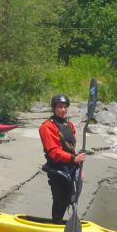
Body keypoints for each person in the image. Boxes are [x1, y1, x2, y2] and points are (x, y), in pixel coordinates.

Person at [38, 93, 85, 222]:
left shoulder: (70, 126)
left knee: (69, 197)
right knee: (60, 198)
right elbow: (53, 151)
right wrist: (73, 159)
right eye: (60, 107)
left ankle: (59, 222)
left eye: (65, 107)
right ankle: (56, 222)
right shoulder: (46, 127)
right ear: (54, 108)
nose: (63, 110)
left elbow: (71, 148)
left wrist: (78, 166)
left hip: (70, 167)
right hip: (56, 168)